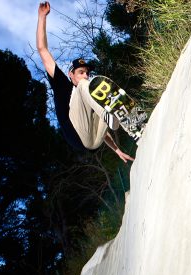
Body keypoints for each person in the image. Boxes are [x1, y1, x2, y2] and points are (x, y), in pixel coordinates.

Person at [36, 1, 134, 163]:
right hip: (77, 136)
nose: (85, 76)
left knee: (99, 96)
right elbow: (42, 50)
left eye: (87, 73)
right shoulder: (62, 85)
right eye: (81, 73)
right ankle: (109, 113)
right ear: (71, 75)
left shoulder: (89, 94)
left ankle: (124, 118)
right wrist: (42, 17)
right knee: (85, 88)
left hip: (94, 142)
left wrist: (117, 150)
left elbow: (98, 131)